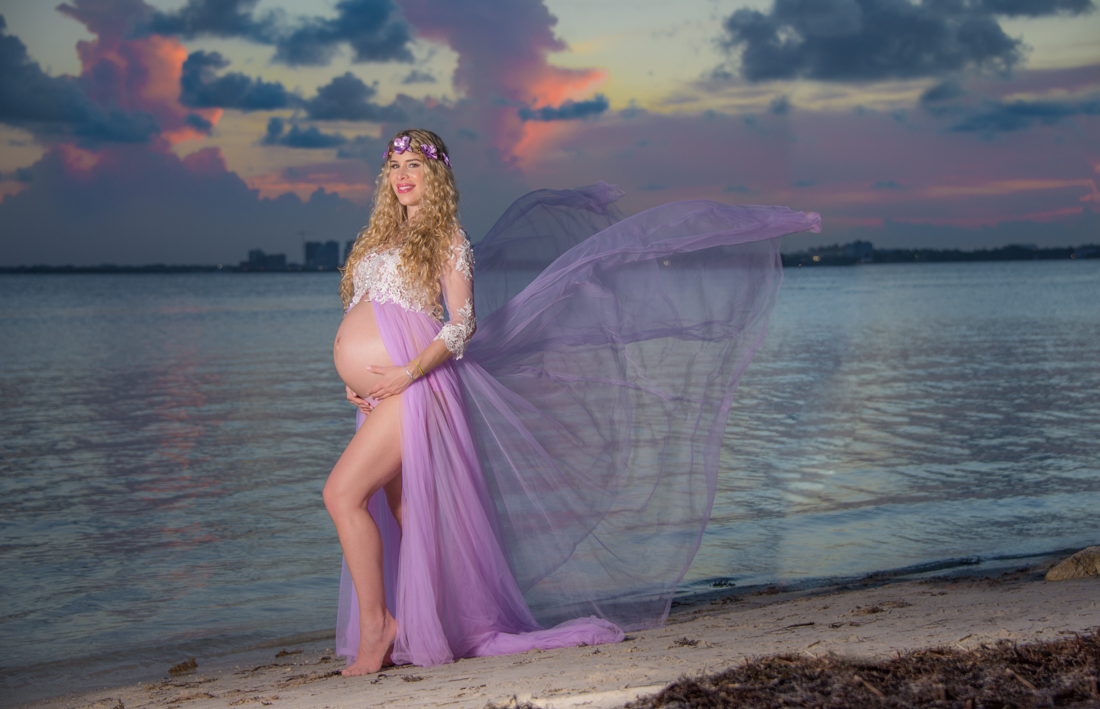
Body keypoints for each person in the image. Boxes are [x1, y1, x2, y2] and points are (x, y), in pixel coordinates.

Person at [326, 128, 821, 675]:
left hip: (416, 387)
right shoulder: (375, 242)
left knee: (343, 494)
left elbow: (462, 325)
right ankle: (424, 621)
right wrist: (354, 378)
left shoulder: (448, 239)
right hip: (379, 391)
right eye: (394, 165)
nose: (402, 175)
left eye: (415, 165)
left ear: (436, 176)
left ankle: (379, 627)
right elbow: (367, 312)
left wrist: (405, 373)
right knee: (403, 510)